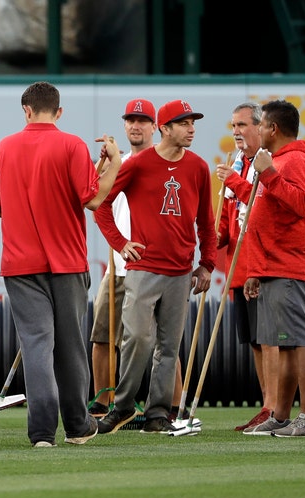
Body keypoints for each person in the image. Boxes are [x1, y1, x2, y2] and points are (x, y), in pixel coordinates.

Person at [0, 81, 121, 447]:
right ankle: (77, 426)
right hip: (67, 262)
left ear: (26, 110)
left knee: (36, 345)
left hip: (21, 263)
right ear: (59, 111)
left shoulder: (5, 146)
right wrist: (116, 163)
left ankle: (42, 432)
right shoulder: (72, 144)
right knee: (70, 346)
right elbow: (93, 199)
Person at [95, 99, 216, 435]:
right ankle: (121, 407)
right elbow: (101, 205)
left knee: (169, 345)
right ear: (164, 128)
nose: (191, 129)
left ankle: (157, 413)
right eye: (183, 123)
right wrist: (121, 244)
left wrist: (207, 265)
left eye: (193, 123)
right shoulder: (139, 163)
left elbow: (206, 222)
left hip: (181, 271)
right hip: (144, 267)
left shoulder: (198, 167)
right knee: (136, 338)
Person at [89, 100, 185, 421]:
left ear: (155, 126)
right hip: (119, 264)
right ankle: (104, 401)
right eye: (130, 120)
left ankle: (173, 406)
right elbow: (93, 199)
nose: (135, 126)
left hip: (155, 265)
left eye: (142, 121)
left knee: (162, 340)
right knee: (103, 334)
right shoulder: (120, 163)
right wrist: (102, 165)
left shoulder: (166, 161)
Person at [236, 100, 305, 438]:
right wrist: (256, 270)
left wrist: (268, 173)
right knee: (284, 344)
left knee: (300, 342)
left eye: (260, 124)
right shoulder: (277, 161)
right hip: (273, 267)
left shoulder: (298, 160)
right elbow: (269, 216)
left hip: (292, 266)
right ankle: (282, 416)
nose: (256, 130)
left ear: (272, 129)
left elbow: (300, 204)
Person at [214, 102, 268, 431]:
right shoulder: (239, 162)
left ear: (261, 128)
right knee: (253, 342)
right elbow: (228, 214)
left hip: (260, 265)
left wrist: (234, 181)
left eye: (242, 125)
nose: (236, 131)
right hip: (238, 265)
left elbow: (263, 205)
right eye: (233, 125)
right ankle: (267, 404)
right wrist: (213, 237)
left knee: (268, 340)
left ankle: (275, 406)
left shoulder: (266, 162)